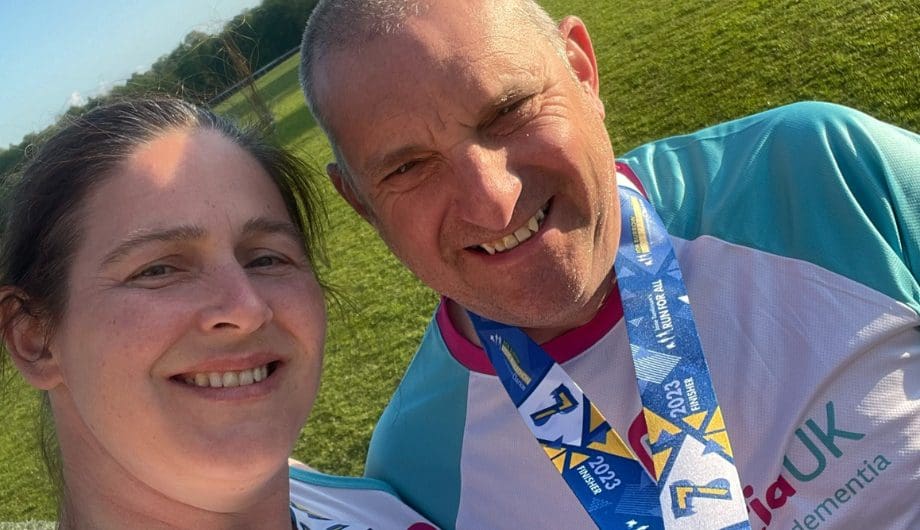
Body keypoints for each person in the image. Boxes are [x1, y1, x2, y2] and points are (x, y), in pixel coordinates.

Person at [298, 0, 920, 528]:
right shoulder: (418, 471)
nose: (494, 203)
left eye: (508, 111)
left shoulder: (821, 173)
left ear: (581, 71)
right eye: (408, 168)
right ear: (360, 202)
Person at [0, 98, 437, 529]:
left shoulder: (376, 507)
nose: (246, 308)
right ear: (32, 338)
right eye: (158, 269)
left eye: (266, 258)